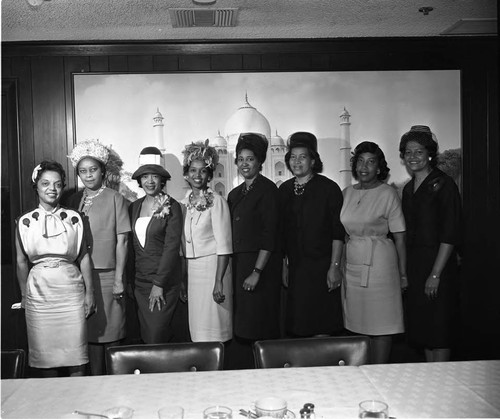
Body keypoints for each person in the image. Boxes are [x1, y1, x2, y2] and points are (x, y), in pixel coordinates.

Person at [15, 161, 95, 377]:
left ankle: (78, 404)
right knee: (45, 359)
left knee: (76, 356)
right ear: (36, 186)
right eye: (46, 183)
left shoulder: (75, 219)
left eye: (58, 184)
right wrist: (24, 295)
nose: (52, 189)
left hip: (70, 291)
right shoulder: (24, 222)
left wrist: (90, 294)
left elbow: (84, 258)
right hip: (39, 294)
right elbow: (21, 261)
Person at [399, 125, 462, 362]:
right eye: (408, 152)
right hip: (416, 266)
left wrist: (435, 274)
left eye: (418, 151)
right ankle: (430, 379)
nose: (413, 156)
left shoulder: (444, 184)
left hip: (440, 266)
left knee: (440, 329)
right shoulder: (407, 189)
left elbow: (450, 233)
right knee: (424, 329)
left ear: (429, 154)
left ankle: (443, 382)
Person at [68, 139, 131, 375]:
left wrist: (118, 279)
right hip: (82, 277)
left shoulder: (116, 198)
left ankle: (115, 386)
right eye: (83, 171)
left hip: (108, 276)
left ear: (103, 171)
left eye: (93, 170)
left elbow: (122, 241)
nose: (88, 175)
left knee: (112, 334)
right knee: (90, 336)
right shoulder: (74, 201)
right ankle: (94, 385)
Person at [340, 141, 407, 363]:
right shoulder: (346, 193)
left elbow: (399, 236)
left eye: (370, 162)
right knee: (358, 324)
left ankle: (381, 374)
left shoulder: (388, 193)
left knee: (382, 324)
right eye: (360, 161)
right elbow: (342, 235)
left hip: (381, 265)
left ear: (379, 167)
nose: (364, 166)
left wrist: (403, 273)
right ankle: (362, 380)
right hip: (352, 264)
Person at [279, 131, 345, 337]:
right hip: (296, 269)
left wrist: (334, 267)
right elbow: (282, 234)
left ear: (313, 160)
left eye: (303, 157)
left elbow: (337, 232)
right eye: (293, 157)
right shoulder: (284, 190)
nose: (297, 161)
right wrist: (284, 265)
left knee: (321, 325)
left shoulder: (328, 188)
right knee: (299, 327)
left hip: (322, 268)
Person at [227, 133, 282, 343]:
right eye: (240, 159)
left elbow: (270, 235)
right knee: (243, 326)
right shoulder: (235, 194)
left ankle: (265, 372)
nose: (244, 164)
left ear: (259, 161)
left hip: (261, 266)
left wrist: (257, 272)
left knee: (259, 325)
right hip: (240, 265)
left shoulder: (268, 190)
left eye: (249, 159)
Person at [128, 148, 183, 344]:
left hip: (162, 283)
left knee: (156, 336)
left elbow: (171, 247)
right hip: (139, 284)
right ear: (139, 180)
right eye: (145, 176)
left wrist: (159, 285)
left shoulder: (172, 206)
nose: (150, 181)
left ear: (162, 180)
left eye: (154, 176)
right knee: (145, 338)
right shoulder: (133, 207)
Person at [180, 140, 233, 342]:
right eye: (193, 170)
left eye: (203, 171)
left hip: (213, 269)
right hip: (193, 272)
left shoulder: (217, 202)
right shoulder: (183, 204)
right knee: (198, 332)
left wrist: (218, 281)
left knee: (215, 331)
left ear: (210, 175)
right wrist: (183, 280)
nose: (197, 175)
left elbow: (224, 246)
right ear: (187, 174)